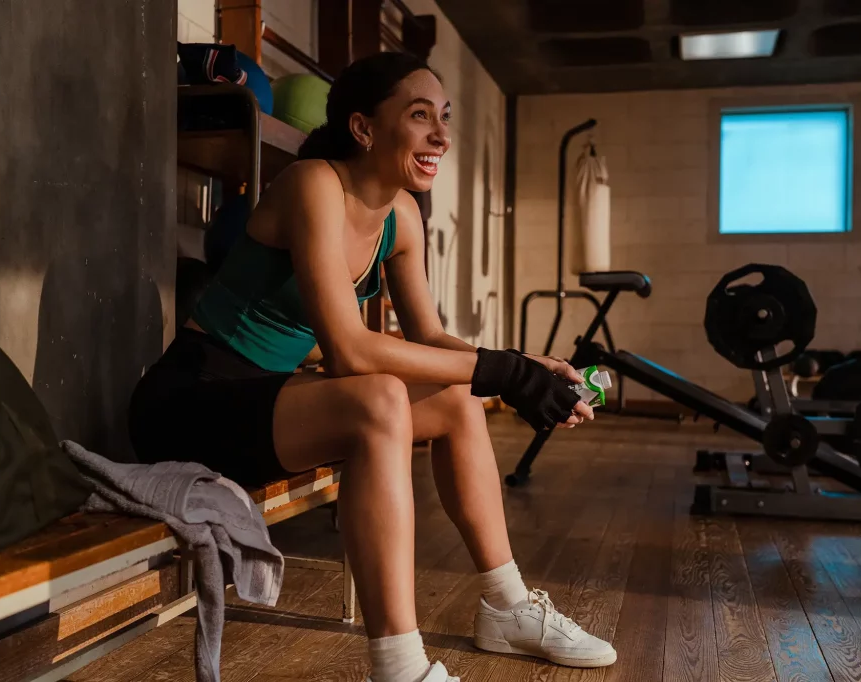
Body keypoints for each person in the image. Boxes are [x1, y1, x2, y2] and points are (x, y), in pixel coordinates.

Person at [129, 51, 616, 682]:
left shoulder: (402, 217)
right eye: (420, 116)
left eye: (443, 117)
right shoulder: (313, 185)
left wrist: (525, 367)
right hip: (191, 403)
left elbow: (432, 337)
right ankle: (399, 666)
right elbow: (349, 351)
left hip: (270, 405)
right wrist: (503, 372)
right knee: (382, 396)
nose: (441, 134)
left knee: (456, 396)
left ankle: (508, 604)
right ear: (364, 128)